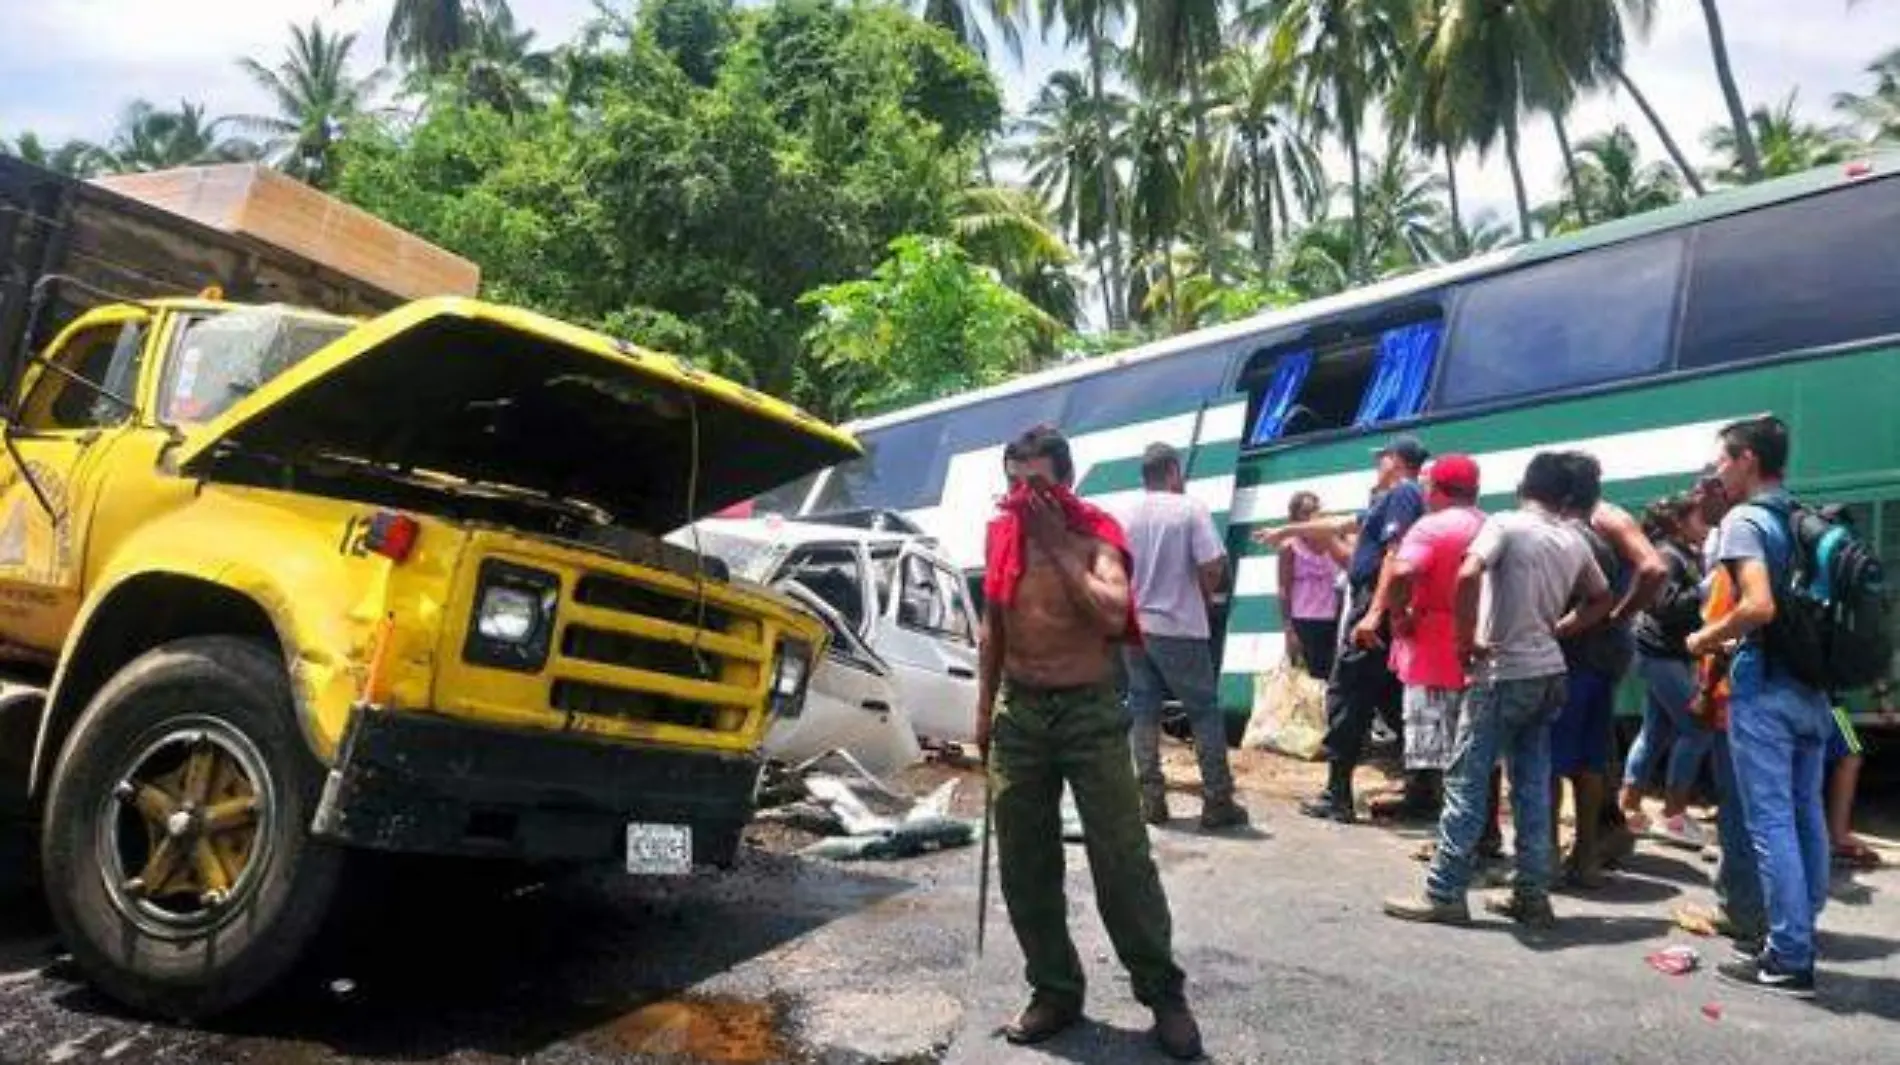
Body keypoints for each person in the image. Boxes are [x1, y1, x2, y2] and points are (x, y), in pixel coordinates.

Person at [975, 426, 1203, 1058]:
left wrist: (1056, 544)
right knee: (1025, 863)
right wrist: (983, 712)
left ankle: (1163, 995)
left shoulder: (1098, 531)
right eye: (1015, 483)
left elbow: (1110, 613)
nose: (1024, 495)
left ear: (1065, 479)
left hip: (1090, 713)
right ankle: (1054, 991)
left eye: (1037, 482)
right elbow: (993, 626)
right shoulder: (1000, 533)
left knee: (1122, 863)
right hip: (1020, 715)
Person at [1383, 452, 1611, 927]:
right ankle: (1532, 894)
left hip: (1502, 672)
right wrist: (1558, 630)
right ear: (1566, 496)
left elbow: (1468, 574)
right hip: (1549, 674)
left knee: (1466, 781)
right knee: (1530, 786)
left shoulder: (1506, 524)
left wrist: (1466, 640)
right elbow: (1601, 598)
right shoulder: (1573, 539)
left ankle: (1444, 891)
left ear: (1523, 486)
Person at [1688, 415, 1831, 996]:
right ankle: (1802, 929)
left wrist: (1705, 638)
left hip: (1764, 689)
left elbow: (1759, 606)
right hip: (1811, 687)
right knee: (1806, 814)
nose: (1719, 473)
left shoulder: (1747, 520)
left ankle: (1790, 956)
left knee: (1769, 822)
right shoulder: (1804, 517)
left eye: (1723, 460)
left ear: (1747, 459)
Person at [1257, 434, 1429, 823]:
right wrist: (1285, 532)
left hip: (1374, 606)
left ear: (1396, 461)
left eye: (1381, 457)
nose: (1376, 464)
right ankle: (1422, 789)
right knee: (1391, 699)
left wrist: (1374, 612)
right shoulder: (1389, 500)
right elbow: (1340, 523)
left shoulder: (1403, 494)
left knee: (1347, 694)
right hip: (1379, 606)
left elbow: (1394, 553)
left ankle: (1338, 795)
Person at [1550, 453, 1666, 887]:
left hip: (1583, 649)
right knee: (1592, 755)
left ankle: (1561, 854)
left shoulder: (1603, 521)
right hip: (1601, 651)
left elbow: (1654, 568)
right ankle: (1589, 850)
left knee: (1557, 756)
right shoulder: (1597, 523)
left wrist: (1617, 613)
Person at [1122, 443, 1249, 830]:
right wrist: (1205, 598)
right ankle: (1217, 800)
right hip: (1181, 625)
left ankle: (1150, 801)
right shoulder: (1190, 508)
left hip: (1136, 626)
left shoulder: (1126, 514)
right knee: (1203, 710)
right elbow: (1211, 564)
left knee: (1142, 709)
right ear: (1174, 471)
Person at [1382, 454, 1486, 822]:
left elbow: (1400, 574)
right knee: (1473, 745)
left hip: (1431, 646)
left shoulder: (1431, 527)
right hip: (1478, 645)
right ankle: (1476, 828)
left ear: (1436, 489)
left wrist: (1398, 614)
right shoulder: (1490, 525)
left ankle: (1439, 821)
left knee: (1433, 742)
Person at [1620, 494, 1716, 847]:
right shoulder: (1667, 555)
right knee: (1698, 728)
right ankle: (1674, 815)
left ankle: (1627, 808)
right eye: (1698, 517)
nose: (1705, 522)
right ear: (1679, 522)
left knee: (1656, 732)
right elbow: (1665, 606)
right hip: (1661, 654)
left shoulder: (1683, 553)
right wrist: (1705, 590)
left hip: (1664, 654)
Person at [1277, 490, 1344, 682]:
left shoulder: (1331, 540)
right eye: (1306, 512)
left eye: (1315, 510)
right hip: (1304, 619)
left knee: (1334, 673)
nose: (1311, 517)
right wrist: (1289, 629)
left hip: (1333, 616)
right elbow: (1283, 589)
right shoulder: (1289, 546)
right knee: (1309, 677)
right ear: (1295, 517)